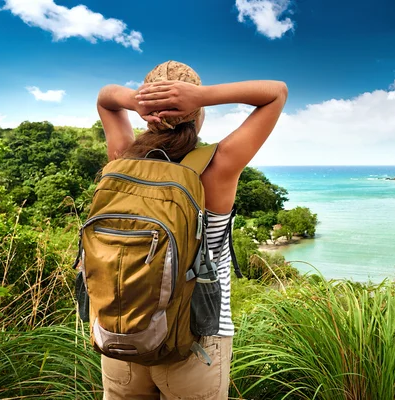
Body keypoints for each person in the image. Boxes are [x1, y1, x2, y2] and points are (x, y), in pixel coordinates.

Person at [95, 60, 288, 399]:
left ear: (146, 113)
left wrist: (139, 100)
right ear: (197, 113)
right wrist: (202, 96)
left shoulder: (122, 158)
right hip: (195, 342)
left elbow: (106, 98)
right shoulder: (216, 166)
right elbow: (276, 93)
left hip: (121, 332)